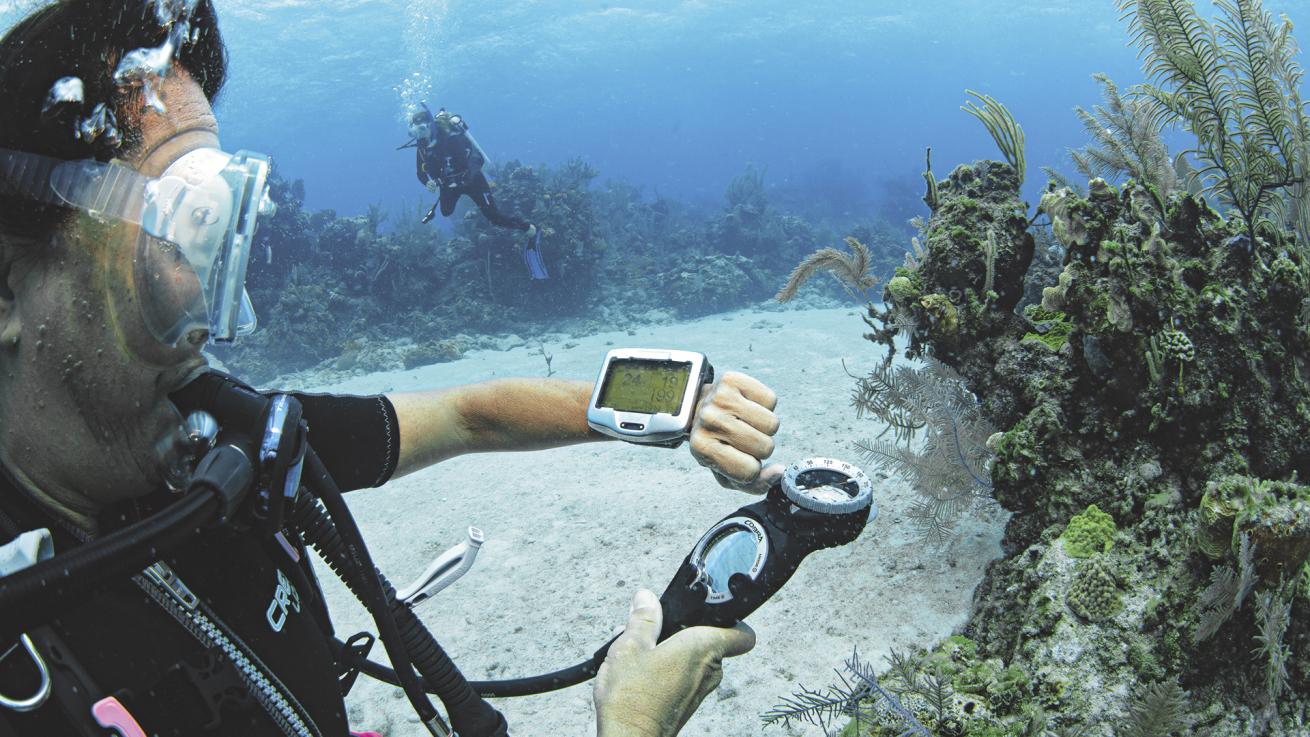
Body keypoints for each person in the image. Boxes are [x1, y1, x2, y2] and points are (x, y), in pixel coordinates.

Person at [0, 2, 780, 736]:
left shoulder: (229, 439)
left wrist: (678, 406)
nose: (205, 304)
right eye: (169, 236)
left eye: (216, 237)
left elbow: (470, 413)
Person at [408, 105, 550, 280]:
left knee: (494, 217)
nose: (420, 135)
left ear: (431, 126)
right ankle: (470, 202)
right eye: (415, 132)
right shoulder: (422, 148)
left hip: (472, 182)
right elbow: (420, 173)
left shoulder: (451, 138)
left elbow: (477, 159)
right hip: (449, 185)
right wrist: (428, 182)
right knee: (446, 212)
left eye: (422, 129)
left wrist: (464, 178)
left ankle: (530, 229)